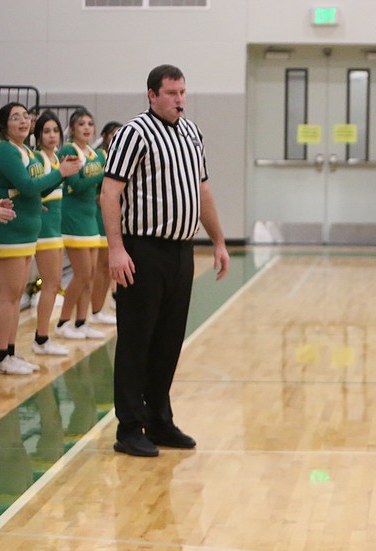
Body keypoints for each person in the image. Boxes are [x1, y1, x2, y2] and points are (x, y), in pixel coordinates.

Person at [100, 64, 229, 457]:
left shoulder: (192, 133)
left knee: (169, 340)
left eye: (183, 92)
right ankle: (129, 427)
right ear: (152, 94)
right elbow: (109, 194)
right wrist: (116, 249)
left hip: (181, 251)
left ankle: (158, 419)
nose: (179, 100)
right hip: (142, 251)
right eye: (171, 93)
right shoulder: (133, 134)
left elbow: (202, 191)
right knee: (137, 340)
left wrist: (219, 240)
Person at [0, 102, 79, 376]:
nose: (22, 121)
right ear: (4, 125)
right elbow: (27, 185)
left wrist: (53, 182)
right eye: (15, 117)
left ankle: (10, 352)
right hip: (10, 231)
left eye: (25, 117)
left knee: (16, 294)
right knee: (6, 297)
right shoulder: (5, 150)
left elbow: (35, 190)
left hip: (27, 230)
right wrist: (60, 174)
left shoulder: (26, 152)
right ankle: (0, 357)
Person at [57, 109, 107, 342]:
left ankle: (82, 321)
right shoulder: (69, 150)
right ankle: (62, 322)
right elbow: (76, 184)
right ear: (72, 129)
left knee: (91, 274)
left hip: (90, 217)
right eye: (81, 124)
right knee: (82, 273)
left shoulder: (95, 153)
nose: (86, 127)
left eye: (90, 123)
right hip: (73, 217)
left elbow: (98, 187)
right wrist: (103, 174)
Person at [31, 111, 69, 358]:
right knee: (50, 285)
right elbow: (31, 188)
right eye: (46, 131)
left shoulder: (56, 158)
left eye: (55, 130)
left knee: (54, 284)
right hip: (43, 230)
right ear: (38, 135)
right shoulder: (36, 158)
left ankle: (44, 337)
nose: (52, 135)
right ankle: (40, 338)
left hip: (56, 228)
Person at [90, 120, 122, 325]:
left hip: (114, 218)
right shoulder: (100, 157)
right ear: (104, 136)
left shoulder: (118, 158)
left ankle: (99, 309)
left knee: (105, 268)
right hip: (98, 217)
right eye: (113, 134)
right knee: (100, 268)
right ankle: (93, 311)